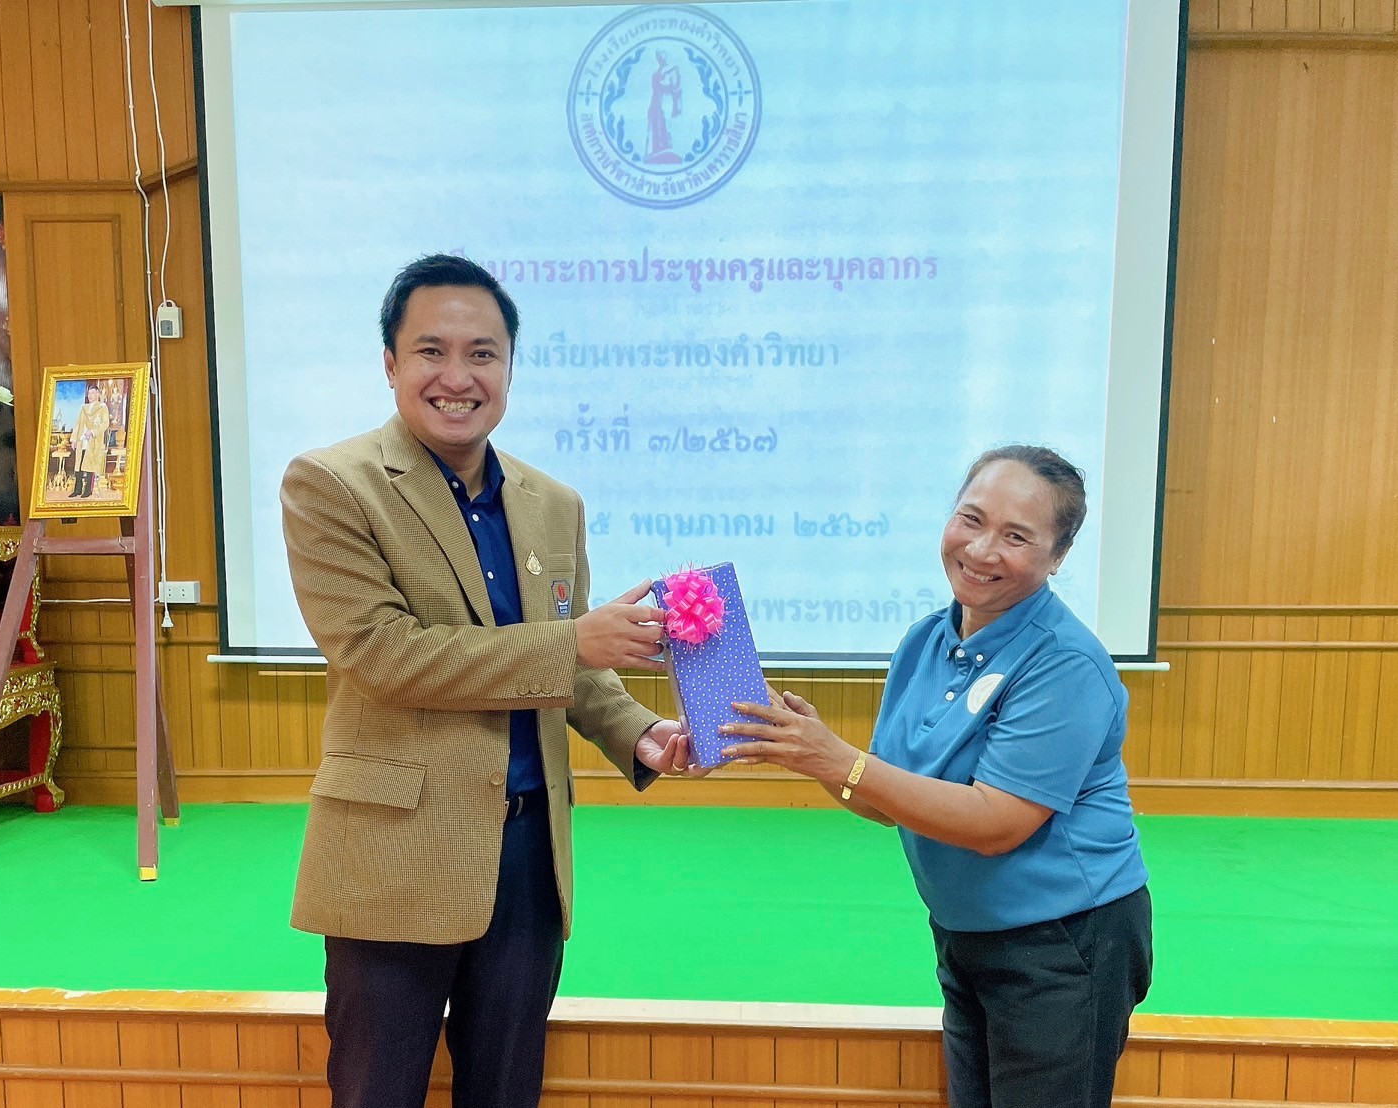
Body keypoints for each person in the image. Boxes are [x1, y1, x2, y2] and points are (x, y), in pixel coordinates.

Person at [280, 253, 698, 1108]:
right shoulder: (330, 484)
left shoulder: (553, 503)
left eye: (483, 354)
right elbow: (384, 655)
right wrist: (574, 642)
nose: (458, 377)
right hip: (395, 854)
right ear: (390, 362)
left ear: (510, 366)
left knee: (506, 1092)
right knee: (377, 1093)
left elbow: (569, 672)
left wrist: (640, 731)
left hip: (529, 856)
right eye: (431, 351)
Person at [721, 445, 1152, 1108]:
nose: (980, 550)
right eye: (970, 519)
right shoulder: (925, 641)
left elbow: (997, 824)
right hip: (964, 933)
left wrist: (835, 758)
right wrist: (806, 753)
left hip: (1065, 939)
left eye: (1016, 537)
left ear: (1058, 556)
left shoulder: (1065, 662)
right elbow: (886, 799)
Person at [68, 383, 109, 498]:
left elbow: (105, 423)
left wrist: (93, 431)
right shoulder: (84, 408)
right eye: (89, 393)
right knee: (79, 465)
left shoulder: (102, 407)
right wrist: (74, 439)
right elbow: (78, 424)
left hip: (93, 440)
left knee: (90, 465)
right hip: (82, 440)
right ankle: (77, 489)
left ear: (98, 394)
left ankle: (88, 490)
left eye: (93, 393)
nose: (90, 395)